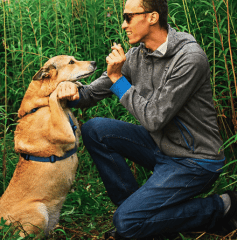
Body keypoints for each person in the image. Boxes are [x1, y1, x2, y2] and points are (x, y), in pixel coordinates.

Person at [56, 0, 236, 238]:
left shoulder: (189, 58)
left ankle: (224, 206)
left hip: (195, 160)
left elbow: (153, 119)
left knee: (126, 224)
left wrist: (118, 79)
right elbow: (89, 93)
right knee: (96, 129)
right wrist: (68, 89)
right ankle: (140, 215)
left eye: (129, 17)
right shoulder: (138, 54)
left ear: (152, 17)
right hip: (162, 147)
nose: (123, 25)